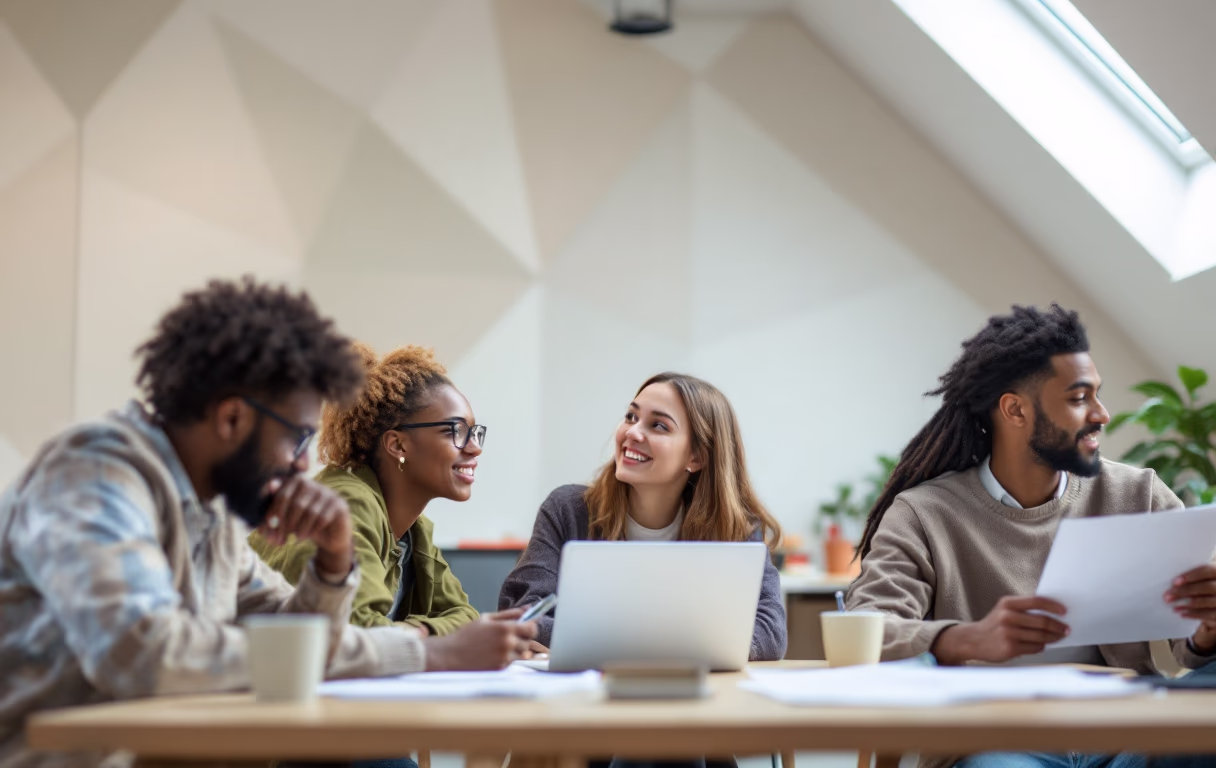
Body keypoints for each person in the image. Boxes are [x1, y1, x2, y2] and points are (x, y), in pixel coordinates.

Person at [0, 279, 536, 768]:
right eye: (298, 439)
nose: (306, 465)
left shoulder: (213, 512)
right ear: (232, 418)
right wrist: (429, 652)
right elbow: (143, 654)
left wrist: (332, 566)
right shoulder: (95, 475)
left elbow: (296, 637)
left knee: (367, 753)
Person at [848, 304, 1216, 768]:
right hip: (998, 742)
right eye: (1079, 398)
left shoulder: (1137, 493)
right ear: (1015, 409)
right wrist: (967, 639)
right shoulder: (925, 514)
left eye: (1096, 395)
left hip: (1125, 736)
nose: (1101, 414)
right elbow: (867, 629)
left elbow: (1188, 645)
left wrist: (1207, 633)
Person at [500, 371, 787, 662]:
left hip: (699, 698)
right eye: (631, 417)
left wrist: (599, 643)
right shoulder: (567, 510)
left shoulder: (732, 527)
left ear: (697, 457)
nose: (632, 433)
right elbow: (523, 616)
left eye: (658, 425)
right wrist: (679, 645)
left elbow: (770, 633)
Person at [252, 343, 483, 637]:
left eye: (475, 433)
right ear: (398, 445)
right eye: (456, 431)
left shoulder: (414, 532)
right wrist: (427, 634)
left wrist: (418, 632)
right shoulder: (347, 503)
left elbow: (468, 618)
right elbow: (359, 634)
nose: (474, 448)